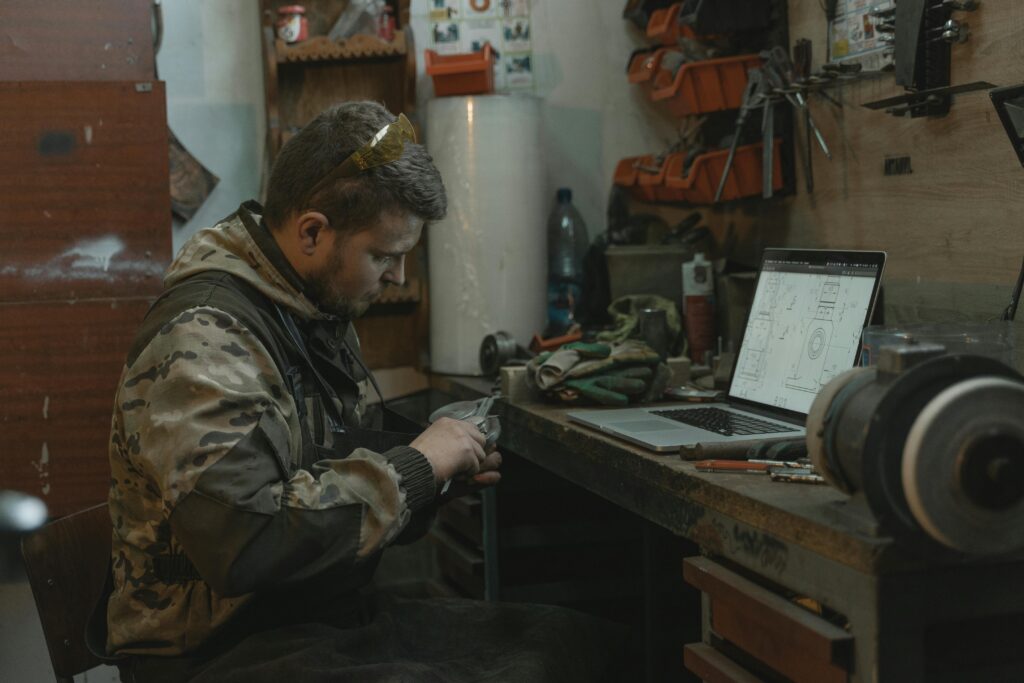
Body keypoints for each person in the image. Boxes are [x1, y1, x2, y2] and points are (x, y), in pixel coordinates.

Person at [100, 101, 625, 682]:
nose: (398, 277)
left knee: (570, 640)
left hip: (304, 617)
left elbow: (317, 471)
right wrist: (417, 468)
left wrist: (438, 475)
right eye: (383, 256)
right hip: (210, 651)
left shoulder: (305, 307)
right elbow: (248, 542)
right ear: (312, 232)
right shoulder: (204, 340)